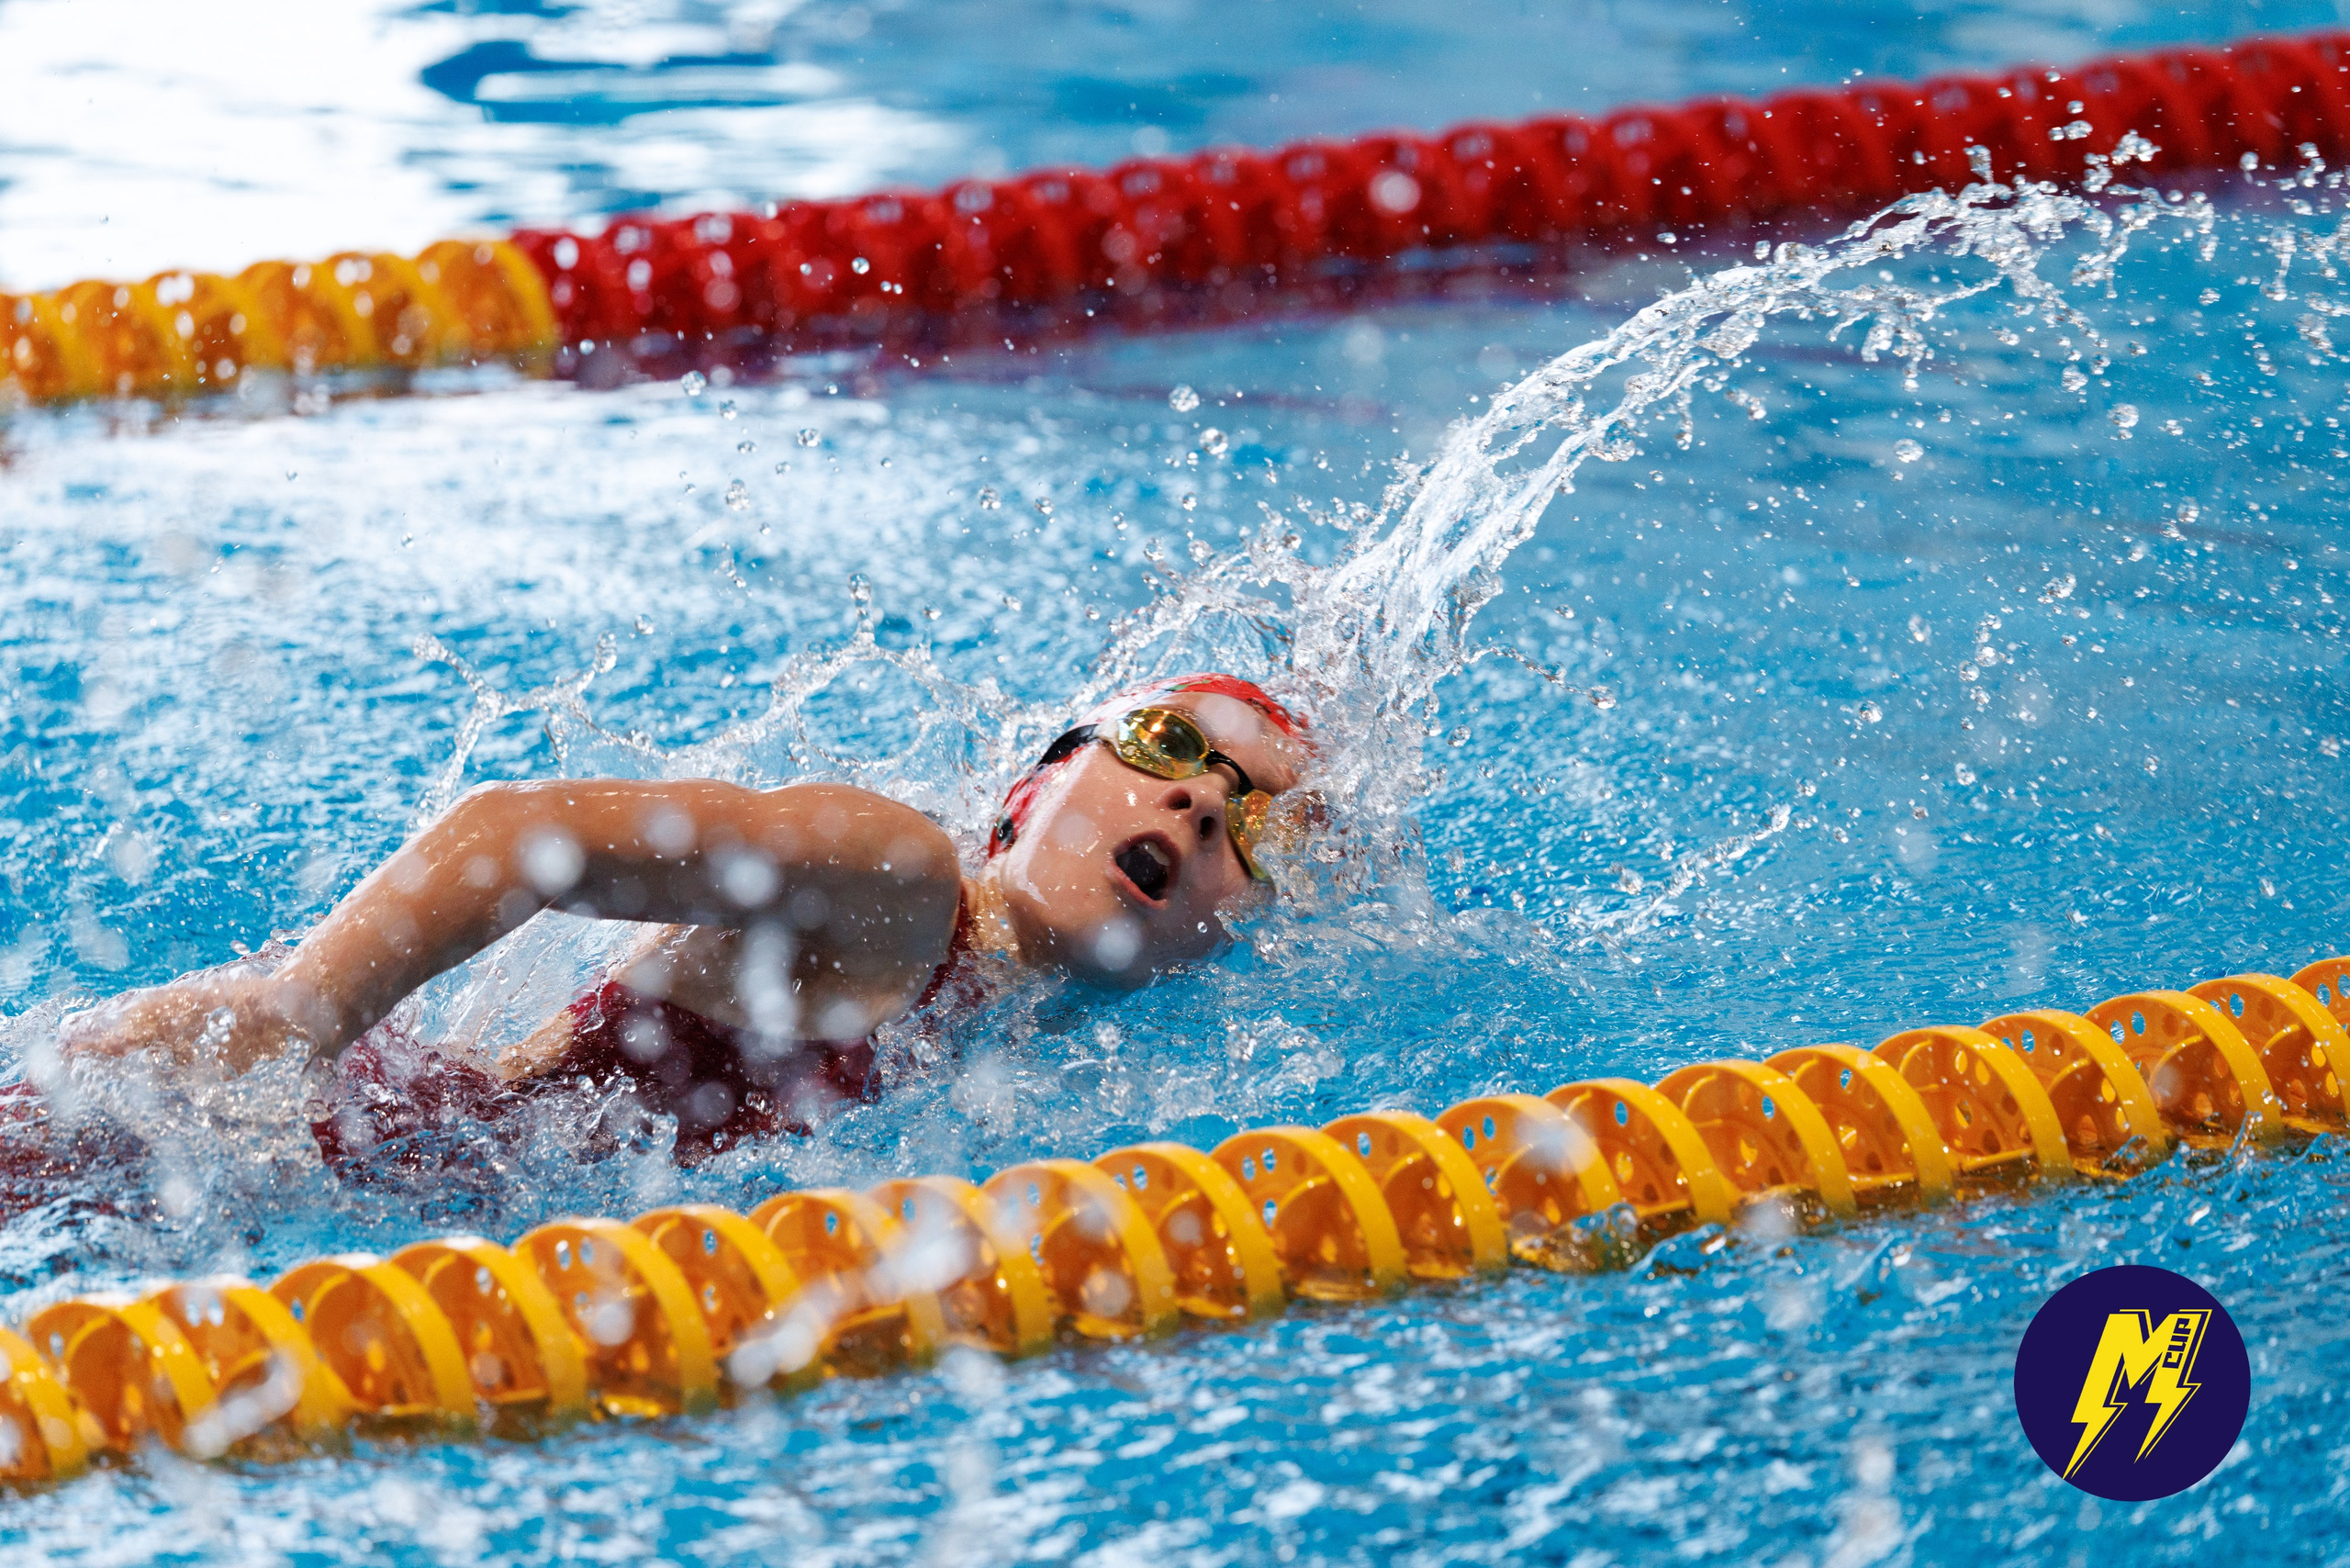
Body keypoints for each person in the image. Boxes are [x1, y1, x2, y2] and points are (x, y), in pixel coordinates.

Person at [45, 674, 1311, 1169]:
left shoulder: (1025, 1033)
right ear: (1030, 790)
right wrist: (294, 1019)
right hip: (246, 1123)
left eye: (1254, 822)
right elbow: (514, 836)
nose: (1202, 800)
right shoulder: (898, 879)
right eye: (1171, 745)